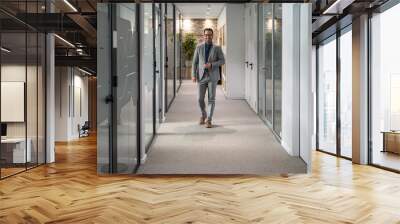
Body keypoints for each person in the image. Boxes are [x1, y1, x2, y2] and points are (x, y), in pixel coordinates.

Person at [192, 28, 225, 128]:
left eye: (210, 35)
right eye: (206, 35)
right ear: (203, 36)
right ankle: (203, 115)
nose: (208, 37)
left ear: (212, 36)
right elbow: (195, 62)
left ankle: (209, 120)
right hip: (201, 77)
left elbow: (222, 61)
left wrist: (212, 64)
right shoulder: (199, 47)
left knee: (211, 99)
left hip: (212, 76)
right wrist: (193, 75)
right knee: (200, 99)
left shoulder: (217, 48)